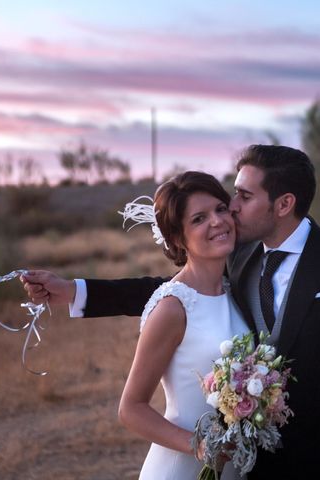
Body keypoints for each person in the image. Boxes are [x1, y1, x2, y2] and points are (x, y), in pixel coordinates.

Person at [23, 145, 320, 479]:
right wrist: (75, 291)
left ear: (283, 205)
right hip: (248, 466)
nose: (230, 209)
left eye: (243, 197)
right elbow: (176, 293)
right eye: (231, 195)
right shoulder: (242, 254)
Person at [115, 171, 249, 479]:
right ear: (177, 237)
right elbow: (131, 408)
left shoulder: (233, 291)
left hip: (234, 468)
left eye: (219, 209)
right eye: (199, 219)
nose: (217, 221)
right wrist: (199, 445)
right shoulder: (173, 307)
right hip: (182, 468)